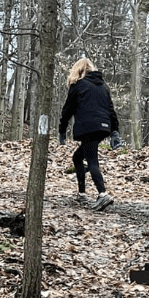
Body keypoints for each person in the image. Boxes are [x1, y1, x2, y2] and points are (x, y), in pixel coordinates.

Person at [59, 57, 123, 211]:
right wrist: (115, 131)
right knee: (78, 157)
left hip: (88, 127)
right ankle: (82, 194)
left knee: (92, 160)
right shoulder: (103, 87)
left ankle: (103, 194)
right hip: (103, 127)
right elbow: (111, 110)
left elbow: (67, 110)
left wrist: (62, 131)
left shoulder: (78, 86)